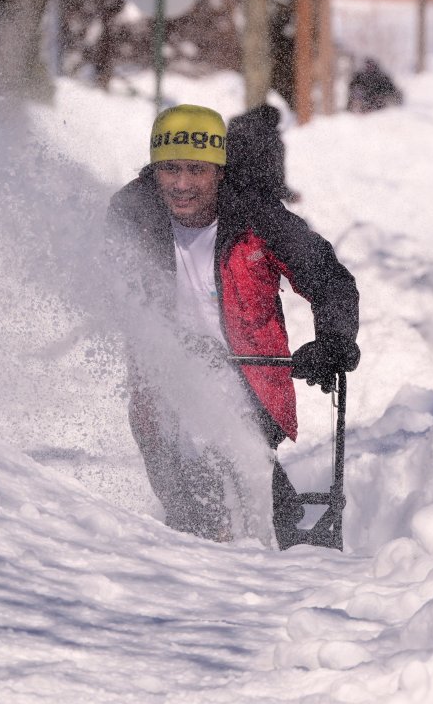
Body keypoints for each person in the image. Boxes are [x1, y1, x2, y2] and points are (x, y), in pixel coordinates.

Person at [105, 104, 360, 549]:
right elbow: (108, 288)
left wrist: (334, 340)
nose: (181, 184)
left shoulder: (256, 215)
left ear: (219, 171)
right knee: (186, 478)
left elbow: (326, 276)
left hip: (252, 377)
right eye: (169, 169)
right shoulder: (133, 214)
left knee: (239, 458)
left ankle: (266, 537)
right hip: (165, 378)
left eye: (196, 170)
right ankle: (205, 544)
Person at [226, 103, 301, 204]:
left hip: (225, 193)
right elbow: (275, 181)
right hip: (255, 200)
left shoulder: (234, 126)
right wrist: (288, 195)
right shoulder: (272, 142)